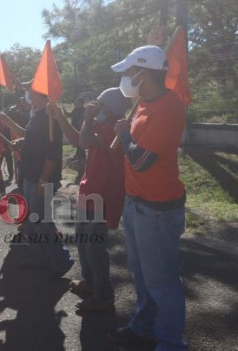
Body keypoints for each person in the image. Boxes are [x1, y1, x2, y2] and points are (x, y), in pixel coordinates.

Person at [108, 45, 188, 350]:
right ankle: (143, 326)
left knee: (162, 282)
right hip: (137, 203)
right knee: (142, 276)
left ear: (143, 73)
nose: (127, 77)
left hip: (156, 209)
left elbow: (142, 160)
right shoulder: (143, 101)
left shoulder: (168, 107)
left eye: (130, 72)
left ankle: (170, 343)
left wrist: (125, 135)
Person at [48, 88, 129, 312]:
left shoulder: (116, 126)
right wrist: (60, 116)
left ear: (110, 107)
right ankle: (89, 282)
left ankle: (103, 295)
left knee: (94, 247)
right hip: (89, 189)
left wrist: (87, 117)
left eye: (99, 103)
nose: (95, 105)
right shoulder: (101, 123)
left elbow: (84, 141)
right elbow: (77, 138)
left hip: (103, 193)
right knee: (83, 240)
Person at [0, 90, 74, 278]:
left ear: (44, 96)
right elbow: (32, 137)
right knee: (33, 221)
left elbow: (53, 151)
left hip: (41, 177)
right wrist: (19, 138)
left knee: (42, 221)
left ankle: (62, 258)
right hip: (30, 174)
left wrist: (44, 177)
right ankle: (37, 257)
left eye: (33, 95)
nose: (30, 98)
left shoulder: (51, 118)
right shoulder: (38, 116)